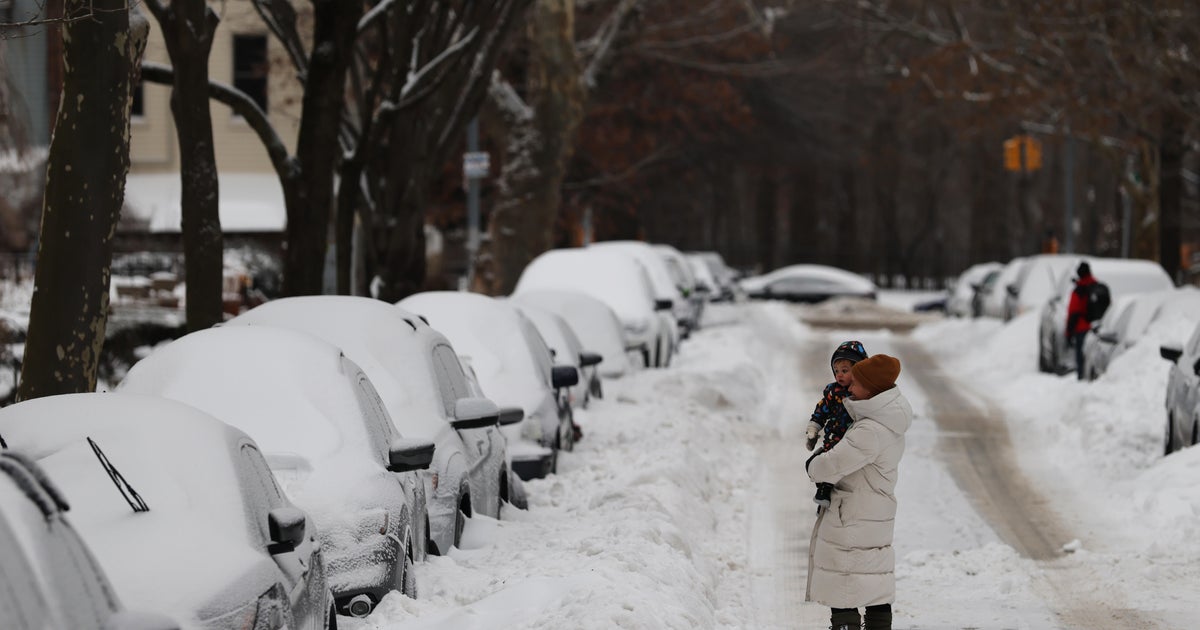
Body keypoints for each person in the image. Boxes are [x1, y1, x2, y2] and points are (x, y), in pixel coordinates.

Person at [805, 353, 911, 630]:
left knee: (845, 585)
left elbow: (828, 467)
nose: (849, 387)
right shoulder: (887, 423)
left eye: (856, 383)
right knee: (874, 584)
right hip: (873, 512)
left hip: (852, 515)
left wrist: (813, 463)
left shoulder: (869, 431)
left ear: (872, 390)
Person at [805, 340, 869, 508]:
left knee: (838, 471)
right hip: (832, 438)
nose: (839, 375)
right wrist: (814, 427)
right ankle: (824, 494)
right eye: (836, 371)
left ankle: (826, 493)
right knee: (818, 463)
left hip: (851, 439)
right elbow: (822, 410)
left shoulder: (862, 392)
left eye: (845, 371)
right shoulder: (833, 391)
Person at [1065, 261, 1096, 380]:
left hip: (1081, 328)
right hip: (1096, 329)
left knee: (1081, 358)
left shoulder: (1079, 290)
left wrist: (1069, 332)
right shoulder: (1097, 287)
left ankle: (1081, 379)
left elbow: (1073, 312)